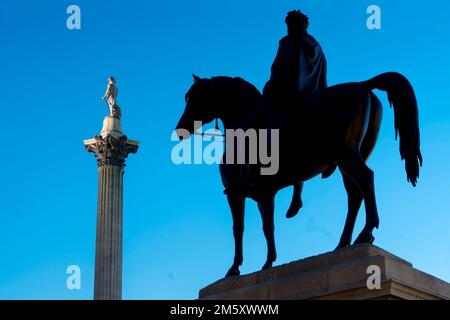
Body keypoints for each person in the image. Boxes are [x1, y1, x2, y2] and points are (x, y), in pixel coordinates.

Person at [226, 11, 328, 219]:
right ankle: (298, 193)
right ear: (305, 25)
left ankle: (244, 177)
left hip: (286, 98)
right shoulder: (317, 46)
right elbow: (322, 75)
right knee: (294, 142)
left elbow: (279, 71)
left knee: (248, 130)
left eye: (289, 24)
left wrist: (270, 87)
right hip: (311, 98)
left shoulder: (288, 43)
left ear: (290, 25)